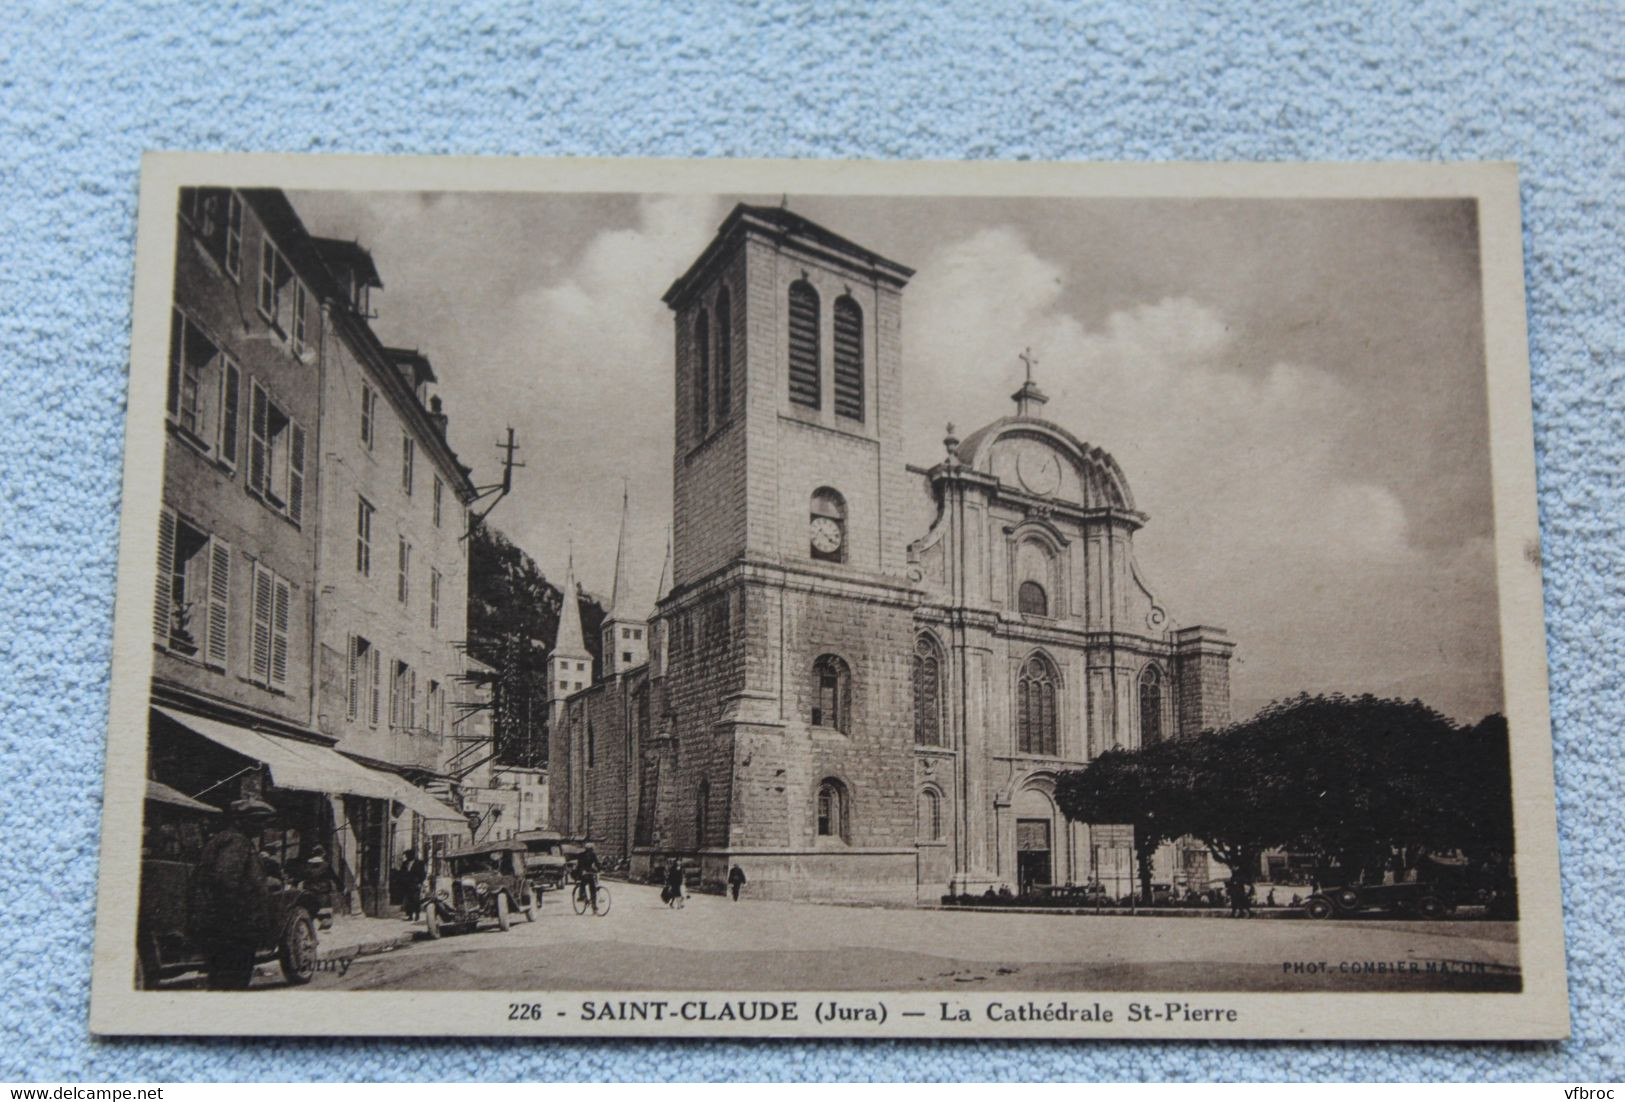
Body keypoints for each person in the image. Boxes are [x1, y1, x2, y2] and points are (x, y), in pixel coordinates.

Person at [191, 796, 274, 990]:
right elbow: (225, 882)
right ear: (240, 820)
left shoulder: (228, 839)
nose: (262, 827)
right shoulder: (236, 842)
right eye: (257, 821)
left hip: (227, 929)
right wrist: (241, 922)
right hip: (233, 931)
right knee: (232, 982)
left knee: (225, 982)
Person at [398, 848, 425, 921]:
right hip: (407, 884)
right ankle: (410, 916)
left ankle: (417, 915)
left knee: (416, 900)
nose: (407, 857)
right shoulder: (405, 863)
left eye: (408, 855)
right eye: (406, 855)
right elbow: (402, 873)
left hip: (415, 884)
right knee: (408, 900)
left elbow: (422, 874)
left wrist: (420, 883)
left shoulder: (420, 863)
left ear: (412, 855)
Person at [574, 843, 601, 909]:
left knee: (593, 887)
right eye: (590, 849)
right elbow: (579, 865)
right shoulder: (581, 855)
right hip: (583, 871)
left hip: (588, 871)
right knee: (583, 884)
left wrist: (599, 869)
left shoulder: (592, 855)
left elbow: (597, 863)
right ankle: (583, 897)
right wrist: (582, 872)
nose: (591, 850)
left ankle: (593, 904)